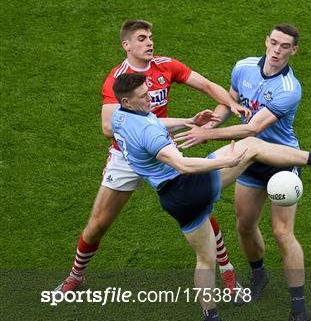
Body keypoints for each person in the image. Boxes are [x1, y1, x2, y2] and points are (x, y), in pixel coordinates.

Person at [111, 72, 311, 321]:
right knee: (249, 147)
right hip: (188, 186)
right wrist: (226, 162)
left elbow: (154, 120)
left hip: (172, 201)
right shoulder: (147, 132)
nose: (150, 99)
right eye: (143, 97)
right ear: (127, 101)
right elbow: (184, 165)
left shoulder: (121, 116)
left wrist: (187, 122)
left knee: (205, 259)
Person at [174, 23, 311, 321]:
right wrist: (214, 119)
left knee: (283, 233)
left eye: (285, 46)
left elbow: (253, 129)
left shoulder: (288, 89)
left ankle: (299, 310)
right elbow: (231, 101)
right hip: (251, 164)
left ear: (294, 50)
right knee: (244, 224)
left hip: (280, 162)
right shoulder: (243, 67)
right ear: (266, 41)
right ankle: (259, 276)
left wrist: (208, 135)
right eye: (274, 43)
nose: (277, 50)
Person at [56, 20, 251, 299]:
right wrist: (143, 128)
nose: (149, 42)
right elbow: (107, 127)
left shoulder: (165, 66)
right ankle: (76, 276)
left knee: (198, 207)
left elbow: (206, 85)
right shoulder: (118, 80)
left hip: (162, 149)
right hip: (127, 156)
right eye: (141, 38)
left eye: (150, 37)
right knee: (99, 222)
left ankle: (229, 275)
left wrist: (230, 104)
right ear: (126, 45)